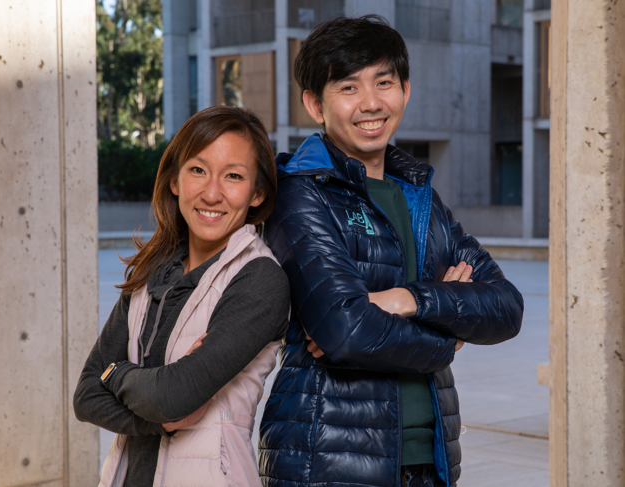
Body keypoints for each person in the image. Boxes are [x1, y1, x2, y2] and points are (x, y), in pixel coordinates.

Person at [258, 16, 524, 487]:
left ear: (405, 89)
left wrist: (409, 299)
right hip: (329, 459)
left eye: (384, 82)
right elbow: (346, 331)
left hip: (432, 461)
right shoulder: (300, 192)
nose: (371, 104)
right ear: (314, 103)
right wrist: (450, 340)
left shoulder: (420, 197)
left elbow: (506, 307)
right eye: (348, 87)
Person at [74, 106, 290, 487]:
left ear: (257, 194)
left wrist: (116, 373)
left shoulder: (259, 279)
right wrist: (150, 401)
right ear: (175, 180)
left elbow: (173, 397)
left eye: (234, 176)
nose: (211, 193)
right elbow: (86, 396)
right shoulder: (151, 270)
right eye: (197, 170)